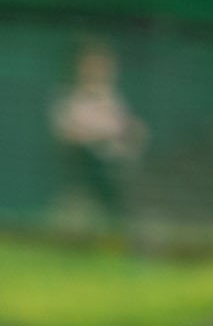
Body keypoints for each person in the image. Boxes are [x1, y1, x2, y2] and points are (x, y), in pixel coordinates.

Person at [51, 40, 146, 232]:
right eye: (91, 65)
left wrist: (131, 133)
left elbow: (133, 134)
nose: (96, 71)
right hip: (84, 177)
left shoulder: (115, 99)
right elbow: (68, 134)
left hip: (118, 178)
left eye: (102, 65)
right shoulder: (69, 99)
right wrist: (102, 135)